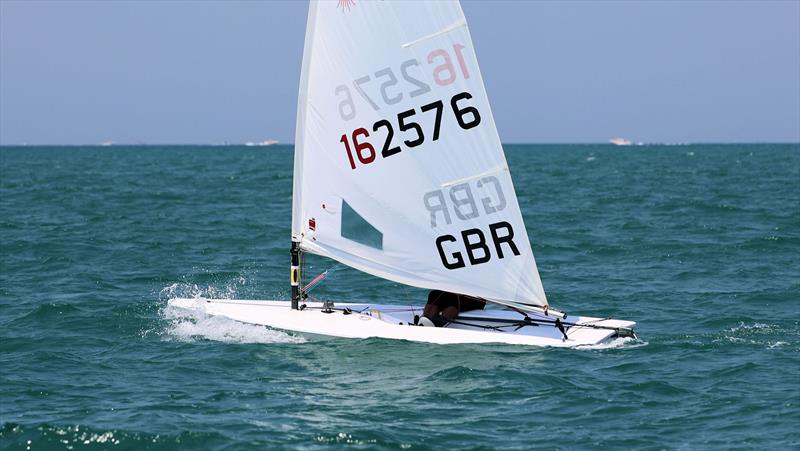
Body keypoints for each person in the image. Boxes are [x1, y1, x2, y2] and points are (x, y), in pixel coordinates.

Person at [417, 290, 486, 327]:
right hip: (458, 293)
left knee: (454, 300)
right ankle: (426, 319)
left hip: (476, 298)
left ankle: (441, 322)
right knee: (434, 294)